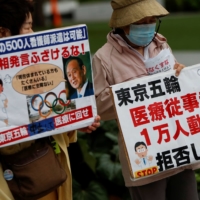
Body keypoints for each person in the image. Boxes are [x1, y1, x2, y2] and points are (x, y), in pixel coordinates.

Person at [92, 0, 199, 200]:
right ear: (124, 23)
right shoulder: (104, 58)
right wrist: (136, 89)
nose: (149, 27)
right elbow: (98, 106)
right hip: (144, 156)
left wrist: (181, 74)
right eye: (142, 22)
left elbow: (177, 88)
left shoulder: (161, 44)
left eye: (153, 21)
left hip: (177, 145)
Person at [0, 0, 101, 200]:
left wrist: (73, 121)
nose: (33, 34)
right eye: (27, 27)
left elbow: (44, 112)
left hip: (43, 172)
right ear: (3, 33)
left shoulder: (35, 68)